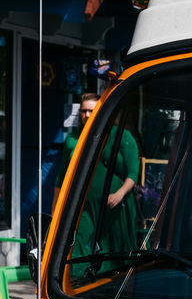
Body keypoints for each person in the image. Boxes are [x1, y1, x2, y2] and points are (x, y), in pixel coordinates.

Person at [53, 93, 141, 270]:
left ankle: (116, 293)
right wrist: (55, 211)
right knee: (78, 246)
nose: (86, 115)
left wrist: (120, 194)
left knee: (117, 255)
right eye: (83, 111)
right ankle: (76, 290)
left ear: (102, 111)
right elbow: (61, 178)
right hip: (83, 205)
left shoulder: (122, 136)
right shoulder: (72, 140)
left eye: (91, 111)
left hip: (115, 205)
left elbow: (133, 173)